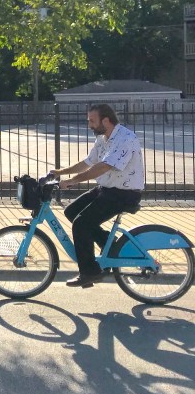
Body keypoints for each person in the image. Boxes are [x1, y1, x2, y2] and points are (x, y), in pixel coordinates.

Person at [50, 103, 144, 288]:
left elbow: (102, 167)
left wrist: (73, 181)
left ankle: (90, 271)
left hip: (124, 194)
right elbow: (88, 162)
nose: (89, 125)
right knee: (71, 212)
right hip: (107, 189)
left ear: (106, 120)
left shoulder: (125, 138)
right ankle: (110, 244)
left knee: (82, 223)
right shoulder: (103, 138)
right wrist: (60, 172)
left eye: (92, 121)